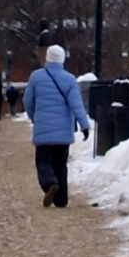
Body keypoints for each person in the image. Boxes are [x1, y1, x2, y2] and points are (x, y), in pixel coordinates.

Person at [22, 42, 90, 207]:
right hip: (63, 133)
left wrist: (34, 117)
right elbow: (76, 104)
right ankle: (61, 199)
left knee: (43, 161)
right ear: (62, 60)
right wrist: (84, 125)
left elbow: (27, 101)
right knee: (61, 164)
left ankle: (50, 184)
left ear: (47, 58)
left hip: (43, 130)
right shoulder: (69, 79)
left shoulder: (36, 77)